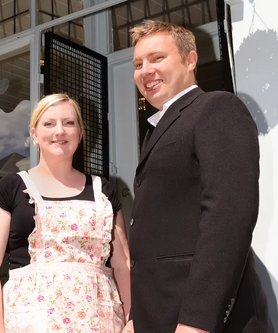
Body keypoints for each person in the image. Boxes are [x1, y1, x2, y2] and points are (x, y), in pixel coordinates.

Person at [122, 20, 274, 333]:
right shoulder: (155, 132)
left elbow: (227, 216)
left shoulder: (217, 108)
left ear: (190, 60)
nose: (144, 70)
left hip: (205, 321)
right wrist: (136, 316)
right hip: (159, 317)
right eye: (138, 63)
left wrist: (198, 321)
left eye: (157, 58)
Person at [0, 93, 131, 333]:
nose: (59, 131)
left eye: (69, 123)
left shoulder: (103, 191)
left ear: (80, 134)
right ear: (35, 134)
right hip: (33, 322)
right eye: (49, 124)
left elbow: (122, 264)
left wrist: (131, 321)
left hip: (101, 321)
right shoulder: (10, 188)